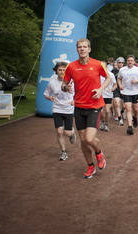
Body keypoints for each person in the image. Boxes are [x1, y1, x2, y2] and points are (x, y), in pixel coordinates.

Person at [62, 38, 111, 179]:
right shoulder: (71, 66)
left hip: (94, 106)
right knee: (83, 140)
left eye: (84, 47)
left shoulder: (97, 64)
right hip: (79, 107)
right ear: (77, 49)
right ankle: (90, 166)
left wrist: (101, 89)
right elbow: (64, 84)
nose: (82, 49)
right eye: (79, 47)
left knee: (89, 138)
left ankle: (99, 153)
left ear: (89, 49)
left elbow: (108, 78)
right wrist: (66, 87)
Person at [44, 62, 76, 161]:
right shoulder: (52, 83)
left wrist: (74, 100)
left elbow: (79, 92)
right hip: (57, 108)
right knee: (59, 131)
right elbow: (46, 93)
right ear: (56, 71)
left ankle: (72, 133)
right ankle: (63, 152)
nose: (62, 72)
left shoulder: (72, 81)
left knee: (68, 133)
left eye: (64, 70)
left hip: (69, 109)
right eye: (60, 70)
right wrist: (50, 98)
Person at [117, 55, 138, 135]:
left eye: (131, 60)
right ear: (126, 61)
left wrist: (137, 81)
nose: (130, 62)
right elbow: (119, 78)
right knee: (128, 108)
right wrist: (120, 85)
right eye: (128, 60)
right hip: (126, 92)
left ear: (134, 62)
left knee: (135, 109)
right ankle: (130, 126)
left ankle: (135, 117)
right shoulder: (122, 70)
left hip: (135, 92)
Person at [99, 61, 117, 132]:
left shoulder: (111, 74)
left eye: (103, 65)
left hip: (108, 95)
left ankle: (106, 124)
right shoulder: (97, 74)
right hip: (100, 95)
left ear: (106, 66)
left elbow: (115, 84)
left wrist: (112, 89)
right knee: (100, 112)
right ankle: (102, 122)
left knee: (107, 110)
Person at [112, 57, 125, 125]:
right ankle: (120, 119)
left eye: (122, 63)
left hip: (124, 90)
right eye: (119, 62)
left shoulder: (126, 71)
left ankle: (122, 112)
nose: (121, 64)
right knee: (117, 103)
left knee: (124, 106)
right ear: (117, 63)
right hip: (116, 89)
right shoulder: (113, 71)